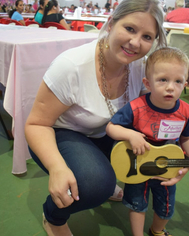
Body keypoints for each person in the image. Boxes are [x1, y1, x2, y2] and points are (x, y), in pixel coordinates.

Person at [24, 0, 167, 235]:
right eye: (130, 29)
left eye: (147, 37)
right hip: (61, 133)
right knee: (95, 184)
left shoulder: (141, 65)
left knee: (150, 157)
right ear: (111, 24)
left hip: (107, 131)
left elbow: (152, 111)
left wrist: (176, 154)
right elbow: (36, 124)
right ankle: (53, 217)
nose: (135, 43)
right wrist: (58, 167)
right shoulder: (71, 66)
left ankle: (100, 170)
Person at [106, 47, 189, 236]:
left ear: (185, 83)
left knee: (167, 207)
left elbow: (187, 138)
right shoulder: (136, 107)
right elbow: (111, 128)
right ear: (148, 83)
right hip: (137, 165)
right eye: (163, 80)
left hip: (166, 169)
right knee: (137, 205)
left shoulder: (186, 112)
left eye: (178, 81)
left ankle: (157, 230)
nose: (170, 87)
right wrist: (131, 135)